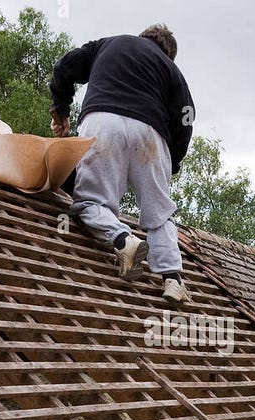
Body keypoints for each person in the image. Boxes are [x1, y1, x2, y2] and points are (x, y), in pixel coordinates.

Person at [48, 23, 194, 304]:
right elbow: (186, 118)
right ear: (168, 54)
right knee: (160, 212)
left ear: (142, 37)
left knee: (90, 202)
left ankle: (122, 240)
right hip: (152, 133)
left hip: (103, 121)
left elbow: (63, 66)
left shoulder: (108, 44)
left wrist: (60, 111)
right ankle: (173, 280)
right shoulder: (171, 70)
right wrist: (170, 163)